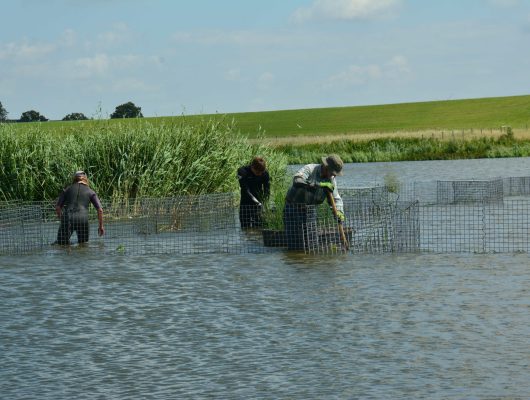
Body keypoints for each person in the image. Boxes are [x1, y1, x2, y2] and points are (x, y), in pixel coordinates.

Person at [283, 154, 345, 250]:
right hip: (293, 208)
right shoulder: (310, 169)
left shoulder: (331, 180)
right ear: (325, 167)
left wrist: (339, 212)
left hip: (310, 209)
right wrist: (316, 184)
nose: (333, 176)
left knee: (311, 243)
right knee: (295, 243)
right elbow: (297, 180)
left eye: (335, 174)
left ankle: (309, 262)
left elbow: (336, 198)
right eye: (332, 173)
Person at [54, 171, 105, 245]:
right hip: (83, 220)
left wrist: (63, 220)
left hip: (68, 218)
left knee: (61, 245)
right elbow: (100, 210)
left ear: (74, 179)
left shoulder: (66, 190)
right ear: (85, 179)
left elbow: (58, 208)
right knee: (83, 245)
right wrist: (101, 226)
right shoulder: (90, 191)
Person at [237, 156, 270, 228]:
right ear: (252, 167)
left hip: (259, 204)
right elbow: (245, 190)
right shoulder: (242, 171)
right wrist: (257, 202)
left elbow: (267, 190)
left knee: (260, 228)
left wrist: (264, 203)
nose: (260, 174)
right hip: (246, 203)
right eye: (258, 172)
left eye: (262, 172)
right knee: (245, 229)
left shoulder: (265, 173)